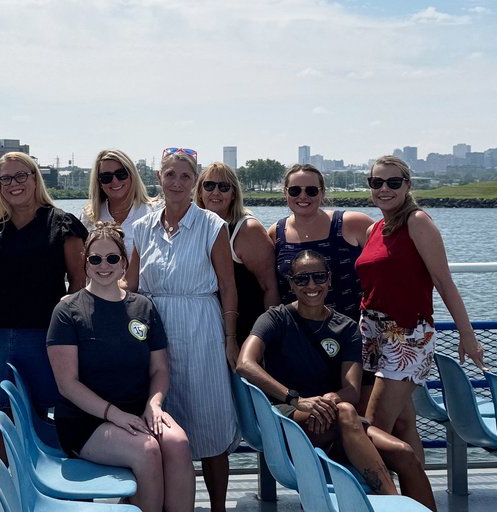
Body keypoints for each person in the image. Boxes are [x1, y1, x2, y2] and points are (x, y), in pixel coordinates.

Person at [236, 250, 434, 510]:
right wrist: (296, 399)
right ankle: (392, 501)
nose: (311, 285)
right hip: (291, 419)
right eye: (302, 279)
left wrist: (331, 400)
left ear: (329, 280)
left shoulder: (346, 328)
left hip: (335, 420)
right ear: (291, 284)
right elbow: (245, 364)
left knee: (405, 454)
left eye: (319, 277)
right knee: (345, 411)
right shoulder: (275, 319)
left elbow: (351, 390)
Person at [0, 151, 87, 512]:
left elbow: (78, 281)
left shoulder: (62, 224)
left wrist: (64, 331)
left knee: (44, 419)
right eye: (6, 178)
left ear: (35, 178)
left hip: (46, 339)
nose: (14, 184)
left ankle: (45, 498)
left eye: (22, 176)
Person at [47, 223, 194, 512]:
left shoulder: (144, 307)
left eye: (112, 258)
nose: (104, 265)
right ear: (86, 264)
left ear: (124, 263)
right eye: (96, 259)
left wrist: (154, 404)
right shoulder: (67, 312)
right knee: (147, 450)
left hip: (140, 412)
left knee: (177, 444)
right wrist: (115, 415)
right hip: (87, 421)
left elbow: (160, 369)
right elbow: (68, 384)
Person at [125, 147, 238, 512]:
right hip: (154, 332)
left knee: (211, 420)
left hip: (201, 328)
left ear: (195, 182)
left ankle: (218, 507)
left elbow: (228, 286)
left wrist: (230, 339)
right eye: (170, 175)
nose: (176, 182)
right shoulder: (142, 228)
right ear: (159, 178)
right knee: (161, 421)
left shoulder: (212, 225)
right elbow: (131, 285)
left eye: (185, 176)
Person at [356, 155, 485, 464]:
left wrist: (467, 335)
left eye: (393, 183)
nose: (384, 189)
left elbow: (443, 281)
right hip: (373, 335)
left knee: (373, 426)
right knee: (402, 424)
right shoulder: (375, 229)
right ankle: (418, 488)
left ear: (408, 185)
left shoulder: (417, 222)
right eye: (376, 182)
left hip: (407, 337)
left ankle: (380, 490)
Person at [267, 164, 372, 322]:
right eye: (295, 191)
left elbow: (386, 267)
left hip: (353, 328)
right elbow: (271, 288)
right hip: (296, 331)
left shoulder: (353, 223)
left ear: (322, 193)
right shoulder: (275, 233)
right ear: (285, 193)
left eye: (311, 191)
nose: (303, 196)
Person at [195, 162, 279, 346]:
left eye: (224, 187)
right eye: (209, 185)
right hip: (206, 330)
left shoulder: (247, 230)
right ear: (200, 191)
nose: (216, 192)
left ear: (233, 193)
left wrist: (269, 338)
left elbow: (270, 287)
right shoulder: (194, 228)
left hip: (245, 332)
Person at [80, 149, 154, 256]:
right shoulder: (88, 217)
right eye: (106, 177)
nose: (115, 181)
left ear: (132, 175)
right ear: (99, 182)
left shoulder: (155, 212)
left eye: (121, 174)